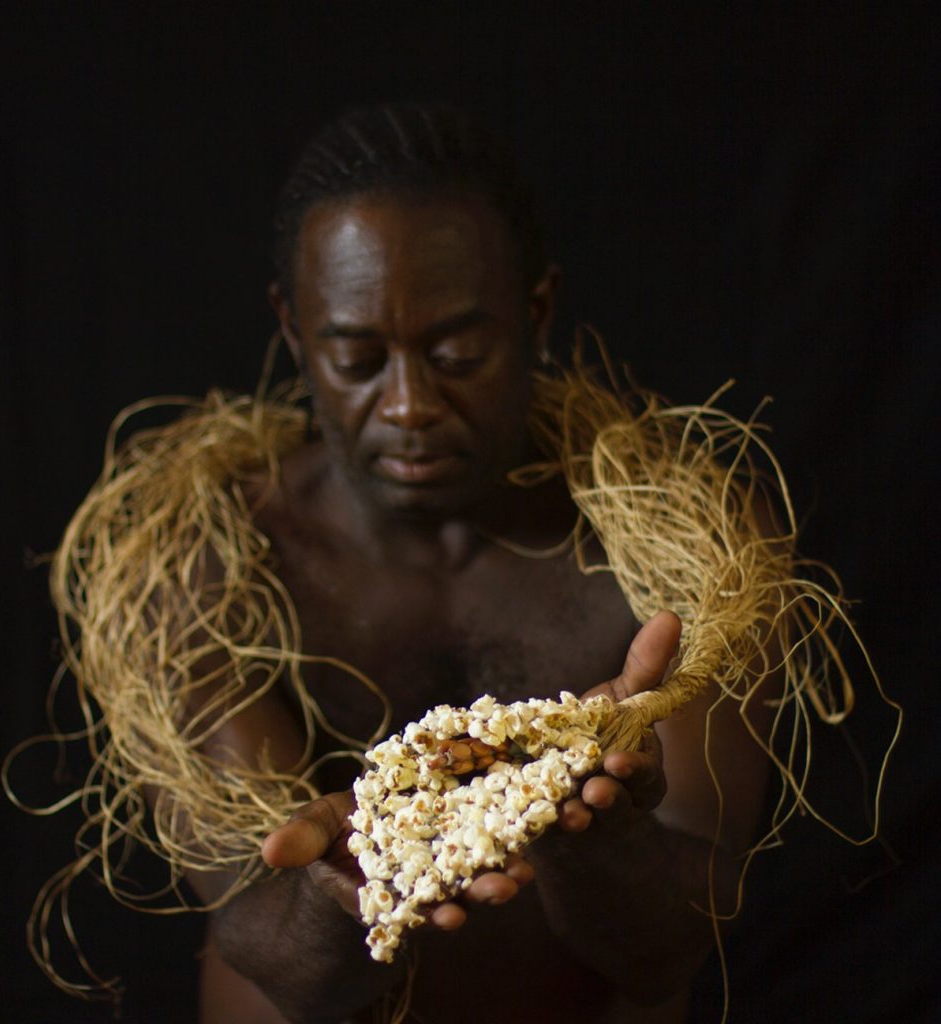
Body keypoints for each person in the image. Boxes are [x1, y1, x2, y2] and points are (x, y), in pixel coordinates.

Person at [176, 103, 775, 1024]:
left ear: (534, 314)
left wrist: (588, 827)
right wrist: (343, 894)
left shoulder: (685, 543)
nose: (408, 404)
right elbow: (267, 948)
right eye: (357, 358)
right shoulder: (212, 555)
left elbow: (673, 950)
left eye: (457, 353)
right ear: (294, 330)